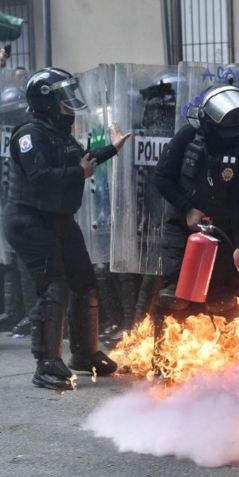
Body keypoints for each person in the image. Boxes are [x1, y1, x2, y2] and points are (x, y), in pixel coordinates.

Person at [4, 68, 132, 390]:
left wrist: (112, 150)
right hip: (29, 220)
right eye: (63, 98)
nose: (69, 104)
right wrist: (78, 172)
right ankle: (46, 364)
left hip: (59, 219)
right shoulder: (28, 135)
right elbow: (41, 177)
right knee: (54, 287)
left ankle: (84, 355)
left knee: (85, 284)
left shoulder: (59, 132)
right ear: (46, 102)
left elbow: (83, 161)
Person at [153, 85, 239, 324]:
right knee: (178, 298)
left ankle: (227, 357)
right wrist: (187, 209)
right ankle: (166, 358)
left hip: (223, 232)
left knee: (222, 300)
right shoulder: (188, 137)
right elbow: (161, 177)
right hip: (182, 228)